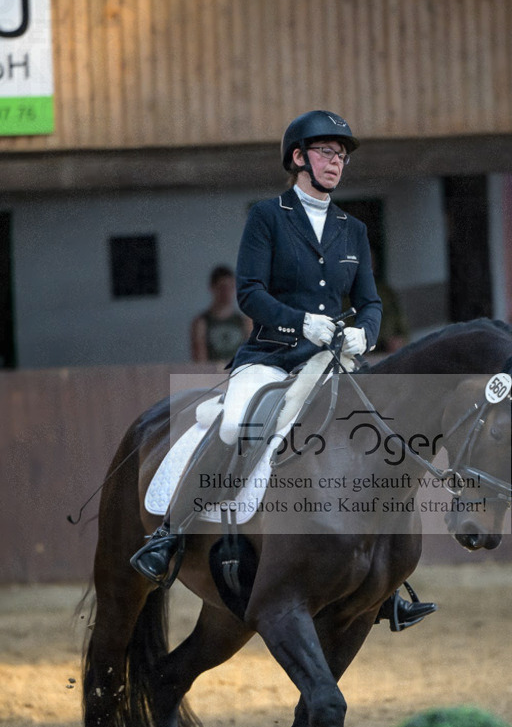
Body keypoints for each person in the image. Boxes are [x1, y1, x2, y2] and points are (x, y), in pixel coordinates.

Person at [130, 110, 435, 629]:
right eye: (325, 152)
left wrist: (366, 329)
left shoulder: (353, 229)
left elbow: (369, 299)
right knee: (234, 421)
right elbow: (250, 293)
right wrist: (301, 325)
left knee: (371, 438)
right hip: (271, 357)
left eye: (341, 155)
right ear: (298, 158)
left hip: (334, 360)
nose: (335, 162)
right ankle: (170, 535)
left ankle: (383, 581)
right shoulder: (267, 217)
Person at [190, 265, 251, 363]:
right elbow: (200, 360)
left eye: (231, 287)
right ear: (212, 288)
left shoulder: (244, 322)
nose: (227, 293)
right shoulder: (202, 323)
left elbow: (250, 357)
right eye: (222, 288)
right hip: (212, 375)